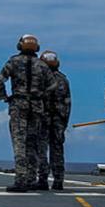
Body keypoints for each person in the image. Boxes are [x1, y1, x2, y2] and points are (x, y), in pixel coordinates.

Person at [0, 34, 57, 192]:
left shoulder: (13, 61)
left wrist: (3, 97)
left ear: (20, 45)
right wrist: (41, 94)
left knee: (19, 143)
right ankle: (30, 178)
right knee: (32, 143)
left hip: (19, 105)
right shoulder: (42, 65)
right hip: (36, 107)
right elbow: (53, 85)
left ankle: (21, 180)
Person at [36, 50, 71, 191]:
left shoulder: (40, 79)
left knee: (41, 149)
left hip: (43, 119)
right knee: (57, 149)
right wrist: (64, 122)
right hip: (59, 120)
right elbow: (68, 103)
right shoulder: (63, 79)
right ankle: (58, 180)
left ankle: (42, 179)